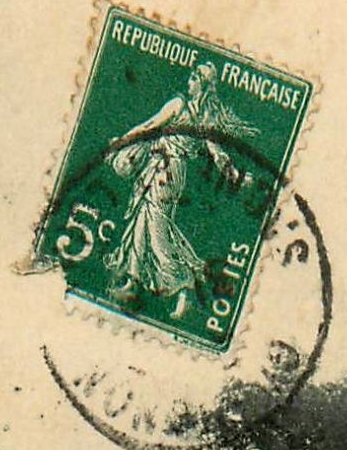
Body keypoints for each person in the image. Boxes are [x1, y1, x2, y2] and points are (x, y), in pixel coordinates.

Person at [102, 62, 256, 304]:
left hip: (163, 169)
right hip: (174, 172)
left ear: (203, 86)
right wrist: (234, 175)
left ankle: (180, 280)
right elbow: (218, 155)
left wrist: (122, 141)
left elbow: (149, 125)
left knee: (154, 227)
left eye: (195, 78)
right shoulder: (206, 118)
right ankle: (133, 281)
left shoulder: (179, 105)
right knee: (145, 220)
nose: (190, 81)